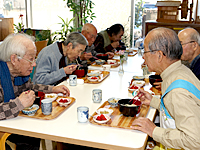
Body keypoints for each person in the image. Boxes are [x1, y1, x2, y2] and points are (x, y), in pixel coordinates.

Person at [131, 27, 200, 150]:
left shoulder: (177, 92)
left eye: (145, 52)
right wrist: (154, 101)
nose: (143, 57)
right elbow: (176, 110)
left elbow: (194, 140)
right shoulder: (179, 71)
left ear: (159, 55)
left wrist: (154, 131)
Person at [0, 33, 70, 150]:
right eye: (31, 59)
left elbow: (31, 88)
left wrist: (52, 89)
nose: (34, 64)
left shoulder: (19, 73)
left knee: (32, 135)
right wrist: (19, 104)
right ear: (14, 59)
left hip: (15, 122)